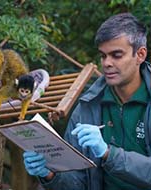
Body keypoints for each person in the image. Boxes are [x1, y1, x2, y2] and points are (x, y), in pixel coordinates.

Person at [23, 13, 151, 190]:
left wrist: (108, 154)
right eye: (103, 56)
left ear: (140, 54)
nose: (107, 63)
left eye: (116, 55)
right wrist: (49, 173)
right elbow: (78, 183)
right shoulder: (87, 108)